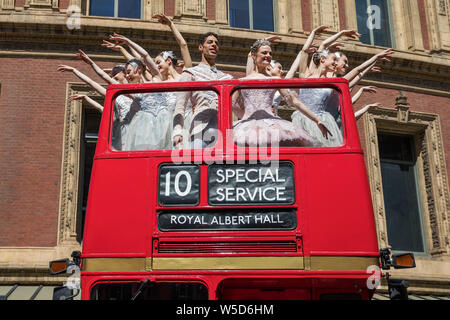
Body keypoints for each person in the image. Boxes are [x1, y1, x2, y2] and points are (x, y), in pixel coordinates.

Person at [232, 39, 331, 148]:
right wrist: (244, 115)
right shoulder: (242, 81)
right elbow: (231, 104)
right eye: (264, 53)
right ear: (254, 56)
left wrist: (317, 120)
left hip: (271, 127)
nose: (268, 55)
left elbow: (295, 101)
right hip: (247, 128)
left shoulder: (275, 79)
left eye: (270, 53)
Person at [172, 32, 233, 149]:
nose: (214, 45)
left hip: (224, 135)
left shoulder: (227, 78)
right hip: (199, 134)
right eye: (210, 42)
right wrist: (177, 132)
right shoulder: (190, 73)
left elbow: (237, 108)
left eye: (216, 43)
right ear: (201, 47)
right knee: (197, 165)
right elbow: (180, 106)